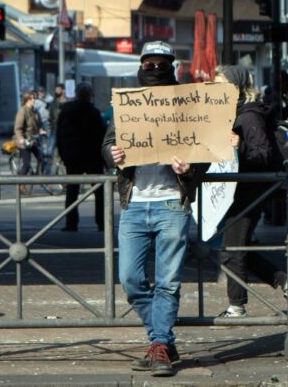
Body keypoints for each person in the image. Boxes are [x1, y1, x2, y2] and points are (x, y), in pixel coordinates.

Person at [102, 41, 208, 377]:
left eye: (161, 64)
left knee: (168, 281)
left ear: (172, 66)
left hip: (171, 204)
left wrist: (189, 168)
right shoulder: (129, 102)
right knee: (130, 279)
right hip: (134, 204)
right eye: (149, 64)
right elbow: (107, 142)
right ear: (140, 65)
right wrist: (113, 155)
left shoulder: (188, 103)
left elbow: (204, 148)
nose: (155, 69)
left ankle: (160, 345)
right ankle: (162, 339)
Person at [215, 66, 287, 318]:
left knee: (230, 250)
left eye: (221, 85)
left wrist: (240, 145)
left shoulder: (248, 117)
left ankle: (237, 305)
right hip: (239, 190)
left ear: (235, 88)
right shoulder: (234, 113)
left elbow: (262, 154)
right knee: (239, 246)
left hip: (248, 192)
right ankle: (284, 280)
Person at [56, 82, 106, 232]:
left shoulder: (66, 111)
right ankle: (102, 222)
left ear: (77, 94)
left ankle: (71, 223)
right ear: (89, 95)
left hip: (73, 158)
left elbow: (59, 136)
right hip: (92, 158)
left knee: (72, 191)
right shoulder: (94, 113)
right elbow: (102, 136)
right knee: (99, 192)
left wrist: (64, 156)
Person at [13, 92, 44, 194]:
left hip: (33, 140)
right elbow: (18, 128)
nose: (33, 101)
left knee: (41, 159)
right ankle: (21, 183)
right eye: (31, 99)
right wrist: (21, 138)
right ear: (26, 100)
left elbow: (37, 125)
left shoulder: (34, 111)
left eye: (34, 99)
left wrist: (41, 131)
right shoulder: (22, 111)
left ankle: (38, 178)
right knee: (26, 163)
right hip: (24, 141)